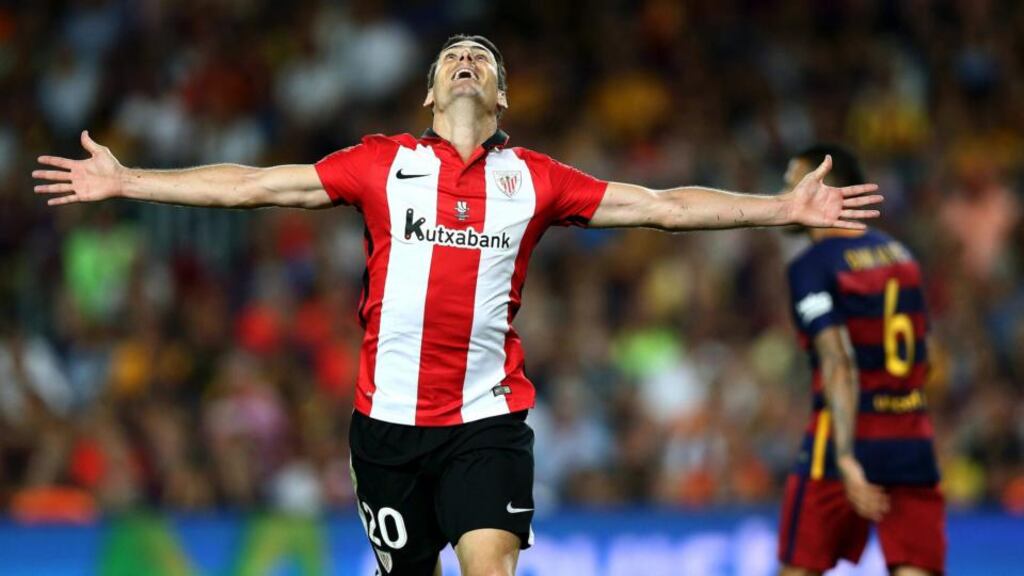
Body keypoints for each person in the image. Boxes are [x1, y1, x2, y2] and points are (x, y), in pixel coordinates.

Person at [34, 34, 882, 576]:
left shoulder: (536, 179)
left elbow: (663, 204)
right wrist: (128, 180)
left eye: (482, 56)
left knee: (490, 568)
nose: (465, 60)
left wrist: (782, 209)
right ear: (431, 98)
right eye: (451, 57)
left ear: (501, 98)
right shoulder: (379, 163)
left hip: (486, 422)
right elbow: (255, 185)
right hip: (386, 430)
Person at [775, 144, 945, 576]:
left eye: (792, 184)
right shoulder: (902, 257)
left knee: (800, 567)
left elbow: (837, 361)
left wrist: (847, 456)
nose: (783, 195)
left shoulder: (812, 266)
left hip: (840, 438)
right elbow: (927, 356)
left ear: (826, 189)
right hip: (910, 436)